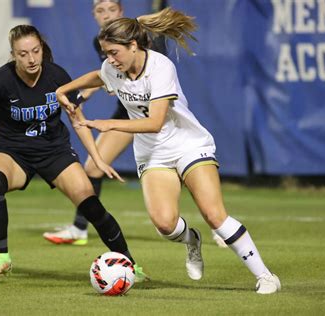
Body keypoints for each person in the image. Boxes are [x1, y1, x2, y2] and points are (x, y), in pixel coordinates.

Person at [54, 8, 281, 294]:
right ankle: (192, 241)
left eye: (113, 52)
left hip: (188, 144)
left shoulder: (160, 67)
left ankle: (265, 276)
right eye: (106, 53)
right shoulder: (114, 68)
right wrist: (64, 89)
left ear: (133, 45)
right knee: (164, 224)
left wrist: (106, 124)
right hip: (153, 155)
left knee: (214, 214)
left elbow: (155, 122)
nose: (109, 59)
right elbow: (99, 76)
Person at [0, 24, 148, 282]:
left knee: (90, 203)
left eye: (35, 50)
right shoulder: (0, 81)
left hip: (54, 151)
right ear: (13, 54)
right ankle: (1, 256)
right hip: (13, 151)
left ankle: (130, 264)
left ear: (42, 48)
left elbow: (76, 118)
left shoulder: (56, 76)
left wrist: (97, 157)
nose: (31, 58)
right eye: (23, 53)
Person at [42, 0, 232, 248]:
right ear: (94, 15)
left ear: (121, 12)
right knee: (93, 169)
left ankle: (218, 225)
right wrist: (80, 95)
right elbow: (104, 76)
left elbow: (150, 75)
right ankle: (79, 228)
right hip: (128, 114)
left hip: (159, 116)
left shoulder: (142, 38)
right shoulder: (102, 43)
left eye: (111, 9)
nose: (106, 15)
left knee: (189, 170)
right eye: (100, 11)